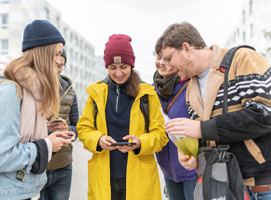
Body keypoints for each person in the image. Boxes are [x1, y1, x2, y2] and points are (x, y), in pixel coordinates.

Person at [156, 22, 271, 200]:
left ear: (186, 48)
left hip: (259, 190)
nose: (167, 67)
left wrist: (201, 128)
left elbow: (264, 115)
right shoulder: (190, 87)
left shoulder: (242, 58)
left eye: (168, 58)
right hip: (220, 187)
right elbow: (210, 137)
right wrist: (192, 155)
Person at [0, 19, 75, 200]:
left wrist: (49, 131)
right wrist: (47, 145)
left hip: (15, 191)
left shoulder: (28, 87)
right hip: (2, 195)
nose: (59, 60)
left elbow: (14, 136)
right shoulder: (10, 89)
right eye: (56, 53)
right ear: (43, 53)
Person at [76, 34, 169, 200]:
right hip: (104, 177)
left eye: (123, 67)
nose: (118, 73)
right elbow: (83, 129)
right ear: (106, 67)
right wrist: (98, 139)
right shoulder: (95, 93)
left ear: (132, 65)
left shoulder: (148, 94)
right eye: (112, 67)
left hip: (139, 178)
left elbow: (160, 134)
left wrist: (140, 142)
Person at [153, 52, 197, 199]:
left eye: (167, 59)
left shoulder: (192, 85)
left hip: (192, 168)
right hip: (168, 169)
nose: (162, 62)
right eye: (159, 58)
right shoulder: (152, 91)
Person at [39, 48, 79, 200]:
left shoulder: (70, 92)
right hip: (37, 167)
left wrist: (67, 129)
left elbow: (78, 129)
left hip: (63, 168)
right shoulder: (33, 88)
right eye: (55, 64)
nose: (57, 69)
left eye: (61, 66)